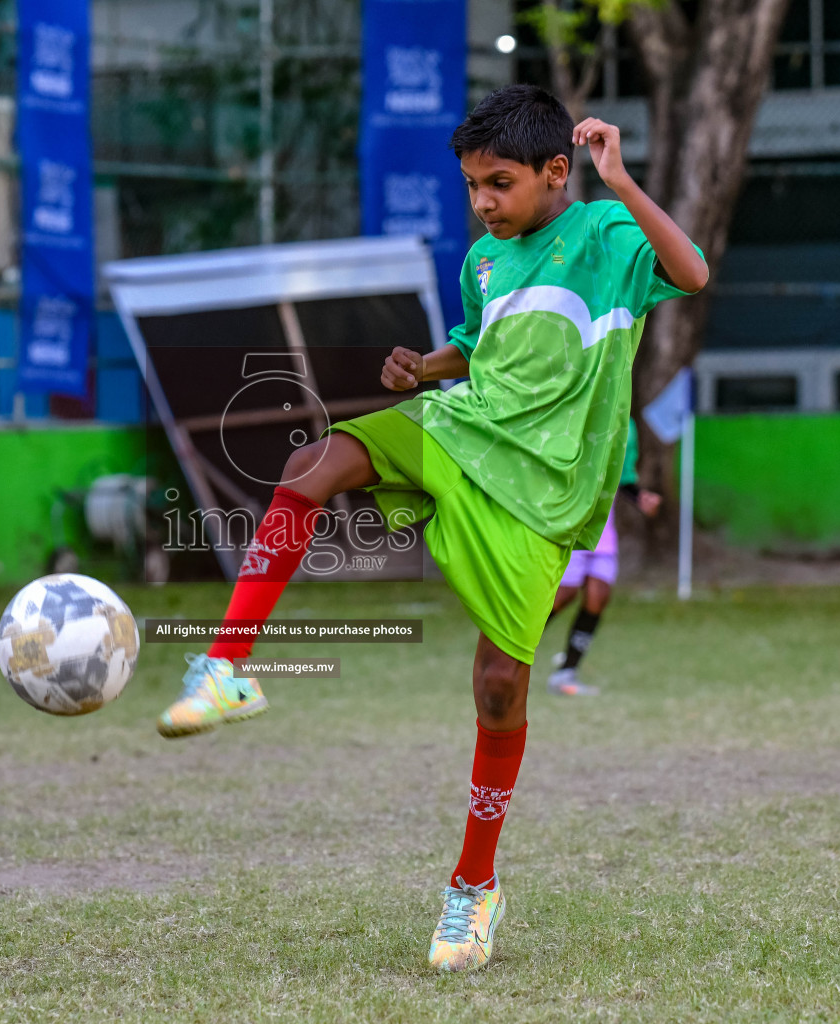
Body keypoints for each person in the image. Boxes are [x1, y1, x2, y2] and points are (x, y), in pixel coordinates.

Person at [153, 85, 707, 972]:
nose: (483, 202)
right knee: (312, 466)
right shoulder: (485, 260)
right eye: (472, 186)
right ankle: (226, 668)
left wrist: (623, 181)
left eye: (499, 183)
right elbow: (480, 346)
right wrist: (426, 366)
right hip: (464, 425)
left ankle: (473, 889)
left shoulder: (605, 235)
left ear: (556, 173)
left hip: (543, 490)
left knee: (497, 686)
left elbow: (692, 273)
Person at [546, 418, 662, 697]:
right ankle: (509, 646)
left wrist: (640, 498)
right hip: (570, 523)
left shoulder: (625, 425)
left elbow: (623, 478)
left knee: (598, 597)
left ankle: (566, 673)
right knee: (564, 594)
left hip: (602, 528)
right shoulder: (576, 412)